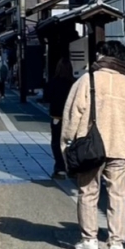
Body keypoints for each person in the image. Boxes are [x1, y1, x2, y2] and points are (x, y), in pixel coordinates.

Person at [60, 44, 125, 249]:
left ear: (103, 56)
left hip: (90, 148)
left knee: (88, 192)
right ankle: (116, 243)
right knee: (118, 196)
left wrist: (67, 145)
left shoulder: (87, 80)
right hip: (120, 147)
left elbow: (72, 115)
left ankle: (89, 240)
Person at [45, 53, 76, 181]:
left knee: (56, 142)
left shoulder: (54, 82)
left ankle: (60, 167)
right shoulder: (74, 83)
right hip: (72, 117)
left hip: (57, 116)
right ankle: (73, 166)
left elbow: (47, 97)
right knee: (72, 142)